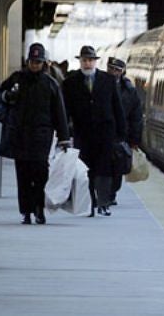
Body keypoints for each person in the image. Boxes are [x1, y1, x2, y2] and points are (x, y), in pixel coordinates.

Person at [0, 43, 70, 225]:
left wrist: (64, 137)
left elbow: (59, 112)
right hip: (20, 135)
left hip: (41, 137)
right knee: (23, 175)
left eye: (38, 61)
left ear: (43, 63)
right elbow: (0, 96)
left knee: (40, 173)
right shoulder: (16, 79)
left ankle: (38, 208)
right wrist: (8, 97)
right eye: (32, 61)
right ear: (28, 61)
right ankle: (26, 211)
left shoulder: (51, 84)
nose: (35, 65)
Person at [62, 46, 126, 217]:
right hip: (83, 133)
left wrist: (121, 134)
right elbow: (65, 111)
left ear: (95, 61)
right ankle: (90, 202)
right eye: (84, 60)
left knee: (104, 169)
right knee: (86, 170)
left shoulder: (108, 80)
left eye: (90, 60)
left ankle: (104, 203)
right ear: (80, 62)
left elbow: (117, 107)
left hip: (106, 133)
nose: (87, 63)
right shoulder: (70, 83)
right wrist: (64, 134)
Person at [106, 57, 142, 205]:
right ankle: (103, 194)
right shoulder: (100, 85)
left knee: (117, 166)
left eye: (117, 70)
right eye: (111, 69)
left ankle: (112, 192)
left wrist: (134, 140)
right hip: (103, 133)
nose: (114, 72)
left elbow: (136, 117)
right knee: (103, 166)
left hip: (121, 135)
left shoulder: (130, 91)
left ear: (123, 72)